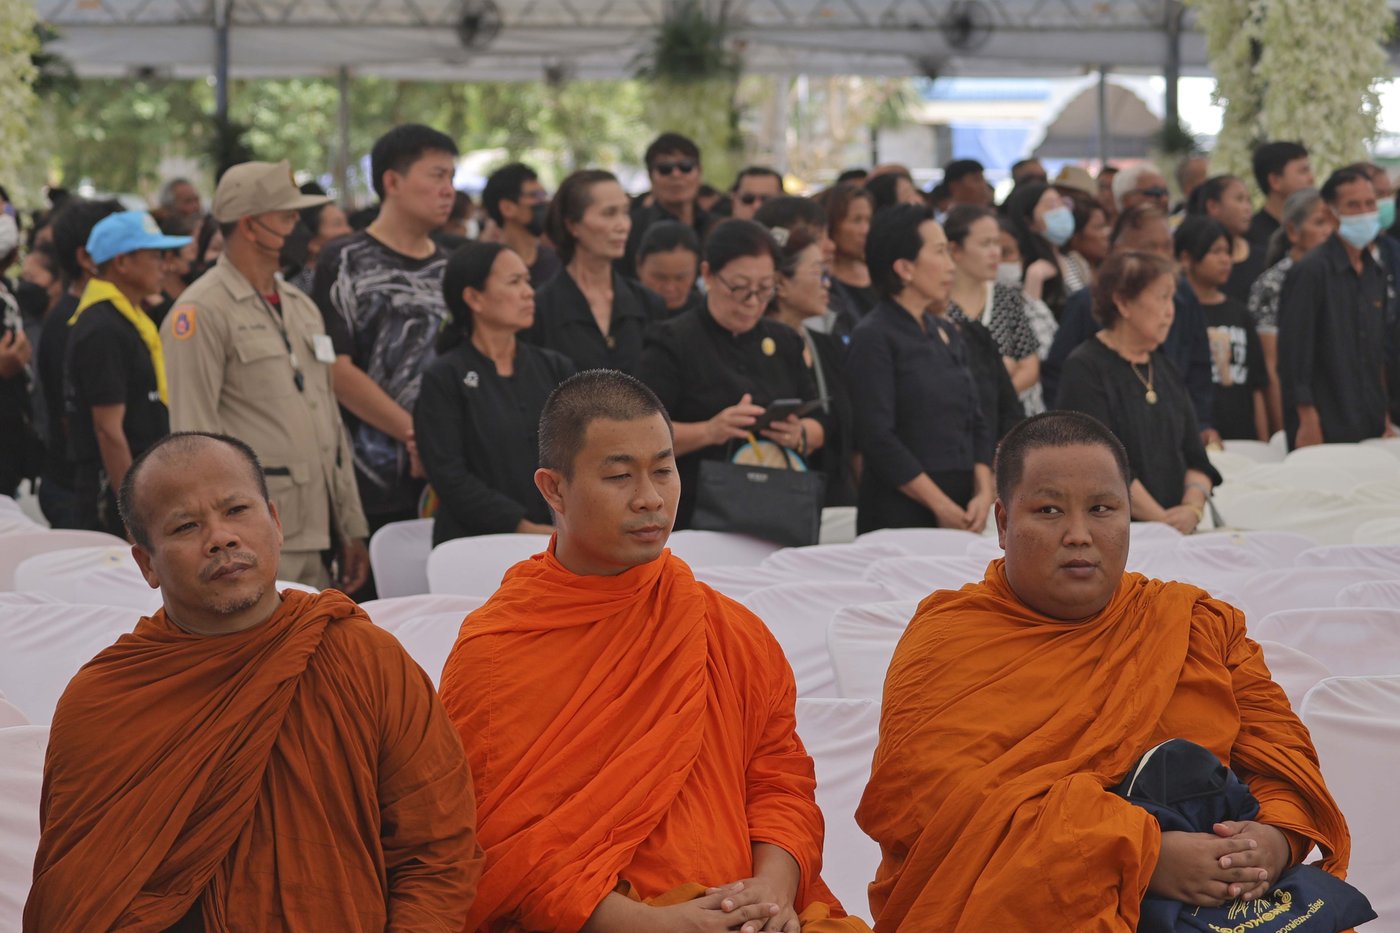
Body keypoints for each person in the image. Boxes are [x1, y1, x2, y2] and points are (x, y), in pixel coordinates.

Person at [857, 410, 1353, 931]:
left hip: (1224, 900)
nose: (1078, 534)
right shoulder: (947, 643)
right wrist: (1145, 855)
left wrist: (1271, 843)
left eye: (1102, 509)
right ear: (1003, 524)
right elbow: (939, 816)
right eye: (1049, 510)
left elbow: (1283, 762)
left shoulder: (1194, 626)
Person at [436, 370, 870, 933]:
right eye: (619, 476)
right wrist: (651, 924)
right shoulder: (499, 650)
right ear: (554, 489)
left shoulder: (724, 629)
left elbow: (780, 782)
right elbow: (495, 848)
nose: (651, 498)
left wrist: (771, 890)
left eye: (664, 471)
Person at [25, 431, 483, 930]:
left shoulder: (364, 660)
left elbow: (437, 853)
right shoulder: (105, 702)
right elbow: (75, 898)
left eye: (237, 511)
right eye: (185, 526)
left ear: (277, 524)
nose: (220, 537)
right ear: (146, 564)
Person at [160, 161, 368, 590]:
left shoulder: (300, 305)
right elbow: (193, 441)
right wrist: (223, 542)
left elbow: (327, 419)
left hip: (320, 526)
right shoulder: (200, 311)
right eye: (288, 218)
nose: (299, 228)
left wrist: (351, 524)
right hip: (255, 537)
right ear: (252, 227)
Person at [314, 123, 459, 539]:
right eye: (436, 175)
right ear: (392, 181)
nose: (448, 189)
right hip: (369, 476)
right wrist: (416, 435)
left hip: (448, 474)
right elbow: (335, 369)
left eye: (451, 177)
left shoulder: (452, 267)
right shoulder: (344, 260)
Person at [638, 219, 828, 530]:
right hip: (697, 510)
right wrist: (710, 431)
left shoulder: (784, 340)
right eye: (738, 288)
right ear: (708, 275)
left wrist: (800, 432)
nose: (752, 302)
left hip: (779, 508)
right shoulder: (673, 340)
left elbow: (822, 421)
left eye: (765, 289)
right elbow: (638, 432)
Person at [844, 203, 994, 534]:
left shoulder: (946, 332)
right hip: (900, 515)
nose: (951, 266)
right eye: (940, 252)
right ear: (904, 268)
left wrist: (984, 493)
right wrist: (940, 505)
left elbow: (977, 421)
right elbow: (877, 437)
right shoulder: (873, 336)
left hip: (964, 506)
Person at [415, 243, 575, 545]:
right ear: (474, 297)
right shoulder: (444, 377)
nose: (529, 292)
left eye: (527, 281)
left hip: (556, 537)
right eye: (514, 282)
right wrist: (521, 526)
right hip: (474, 544)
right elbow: (448, 475)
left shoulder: (554, 366)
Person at [1056, 251, 1221, 533]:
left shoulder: (1164, 366)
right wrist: (1162, 522)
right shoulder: (1084, 368)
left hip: (1175, 528)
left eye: (1172, 298)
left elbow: (1197, 458)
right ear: (1122, 303)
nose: (1170, 311)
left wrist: (1191, 509)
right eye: (1161, 297)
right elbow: (1101, 468)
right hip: (1114, 532)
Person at [63, 211, 190, 535]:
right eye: (155, 256)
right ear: (121, 262)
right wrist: (132, 517)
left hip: (145, 492)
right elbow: (108, 431)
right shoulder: (103, 328)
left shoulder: (129, 319)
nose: (166, 265)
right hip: (114, 507)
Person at [1042, 204, 1215, 439]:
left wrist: (1201, 424)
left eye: (1167, 246)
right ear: (1121, 251)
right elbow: (1057, 378)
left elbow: (1199, 365)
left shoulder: (1182, 294)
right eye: (1150, 247)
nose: (1161, 255)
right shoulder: (1085, 305)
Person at [1278, 165, 1394, 448]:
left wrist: (1385, 415)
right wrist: (1307, 418)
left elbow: (1378, 351)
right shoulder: (1311, 271)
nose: (1365, 212)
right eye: (1353, 205)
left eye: (1369, 203)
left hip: (1370, 420)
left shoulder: (1374, 271)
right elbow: (1294, 355)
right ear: (1331, 214)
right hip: (1324, 423)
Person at [35, 198, 122, 527]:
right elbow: (94, 426)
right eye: (122, 244)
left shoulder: (108, 314)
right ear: (87, 258)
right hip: (83, 494)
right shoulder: (80, 323)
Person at [527, 169, 666, 375]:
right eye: (609, 213)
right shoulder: (540, 308)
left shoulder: (648, 303)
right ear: (573, 225)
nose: (623, 225)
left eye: (625, 212)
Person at [769, 225, 856, 506]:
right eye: (817, 272)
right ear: (780, 283)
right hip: (777, 500)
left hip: (837, 500)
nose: (826, 283)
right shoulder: (758, 347)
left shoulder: (827, 344)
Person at [1247, 188, 1333, 437]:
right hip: (1299, 415)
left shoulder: (1339, 277)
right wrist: (1283, 428)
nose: (1329, 231)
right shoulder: (1272, 285)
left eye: (1332, 222)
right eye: (1319, 222)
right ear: (1293, 231)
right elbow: (1272, 365)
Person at [1175, 217, 1268, 441]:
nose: (1226, 260)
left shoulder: (1239, 312)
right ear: (1187, 258)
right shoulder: (1175, 314)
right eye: (1215, 252)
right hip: (1199, 435)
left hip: (1244, 435)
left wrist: (1263, 439)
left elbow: (1257, 386)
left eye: (1228, 252)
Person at [945, 205, 1043, 415]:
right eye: (985, 244)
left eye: (997, 243)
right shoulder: (939, 305)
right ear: (954, 250)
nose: (995, 253)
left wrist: (995, 397)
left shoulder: (1005, 297)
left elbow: (1029, 364)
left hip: (1007, 417)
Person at [622, 132, 713, 276]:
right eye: (665, 169)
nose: (676, 175)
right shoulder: (629, 229)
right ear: (650, 177)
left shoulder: (716, 227)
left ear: (699, 172)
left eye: (686, 167)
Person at [481, 161, 561, 288]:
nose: (544, 202)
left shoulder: (558, 264)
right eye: (535, 195)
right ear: (507, 208)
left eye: (544, 195)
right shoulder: (486, 268)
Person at [1001, 181, 1074, 318]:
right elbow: (1025, 325)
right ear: (1029, 221)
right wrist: (1034, 279)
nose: (1061, 211)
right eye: (1050, 205)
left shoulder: (1074, 260)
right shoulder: (1024, 268)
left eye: (1062, 203)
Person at [1190, 174, 1263, 302]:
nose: (1247, 208)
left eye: (1248, 200)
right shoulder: (1193, 258)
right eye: (1239, 199)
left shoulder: (1263, 256)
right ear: (1213, 206)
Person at [817, 183, 878, 323]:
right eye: (856, 220)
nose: (865, 230)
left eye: (869, 220)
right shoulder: (821, 282)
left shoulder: (879, 275)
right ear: (832, 224)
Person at [1247, 141, 1314, 262]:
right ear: (1275, 181)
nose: (1311, 179)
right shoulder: (1251, 237)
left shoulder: (1313, 226)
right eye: (1303, 171)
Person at [286, 186, 352, 294]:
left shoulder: (354, 276)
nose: (348, 230)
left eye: (347, 223)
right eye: (337, 224)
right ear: (312, 242)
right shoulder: (297, 292)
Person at [635, 220, 702, 315]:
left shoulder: (712, 314)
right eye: (660, 277)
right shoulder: (621, 312)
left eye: (680, 278)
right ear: (639, 266)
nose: (670, 288)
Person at [1061, 186, 1111, 292]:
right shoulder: (1067, 272)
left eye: (1106, 225)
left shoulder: (1108, 266)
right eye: (1099, 227)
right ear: (1074, 236)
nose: (1107, 233)